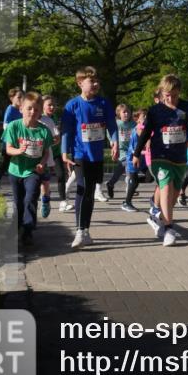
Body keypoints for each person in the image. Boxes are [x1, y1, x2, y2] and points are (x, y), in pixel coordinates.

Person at [132, 74, 188, 246]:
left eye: (174, 95)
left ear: (179, 92)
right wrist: (136, 153)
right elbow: (146, 133)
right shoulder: (155, 111)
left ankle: (157, 216)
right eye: (167, 95)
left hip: (179, 157)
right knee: (166, 186)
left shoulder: (186, 107)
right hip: (160, 156)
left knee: (173, 195)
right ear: (162, 93)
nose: (171, 99)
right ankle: (169, 228)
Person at [61, 67, 118, 248]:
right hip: (80, 154)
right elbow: (66, 131)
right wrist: (64, 152)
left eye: (97, 81)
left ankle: (85, 230)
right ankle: (79, 231)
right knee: (83, 189)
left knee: (90, 193)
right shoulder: (72, 105)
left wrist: (115, 142)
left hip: (97, 155)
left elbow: (112, 125)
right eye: (91, 81)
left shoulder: (103, 103)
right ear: (80, 83)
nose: (95, 84)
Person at [1, 91, 52, 246]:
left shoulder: (44, 130)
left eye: (36, 109)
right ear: (21, 108)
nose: (32, 112)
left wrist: (42, 163)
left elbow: (46, 152)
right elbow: (8, 149)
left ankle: (28, 231)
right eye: (29, 108)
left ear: (40, 111)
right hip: (15, 170)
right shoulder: (13, 126)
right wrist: (19, 150)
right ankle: (16, 227)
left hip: (33, 171)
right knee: (18, 202)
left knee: (30, 199)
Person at [0, 87, 24, 194]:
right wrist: (15, 134)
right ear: (11, 98)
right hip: (9, 143)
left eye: (22, 97)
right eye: (19, 97)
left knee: (19, 163)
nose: (21, 99)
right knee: (6, 164)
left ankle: (21, 186)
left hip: (19, 143)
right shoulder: (10, 109)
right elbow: (5, 126)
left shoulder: (21, 110)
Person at [38, 95, 62, 219]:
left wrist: (47, 143)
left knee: (44, 182)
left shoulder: (48, 121)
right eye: (49, 105)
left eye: (53, 105)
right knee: (32, 185)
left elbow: (57, 138)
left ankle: (45, 200)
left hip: (46, 157)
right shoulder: (25, 120)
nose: (52, 107)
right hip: (29, 157)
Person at [105, 104, 135, 200]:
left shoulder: (133, 124)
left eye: (128, 112)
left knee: (120, 170)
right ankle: (129, 188)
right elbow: (109, 131)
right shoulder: (116, 123)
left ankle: (110, 184)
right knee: (127, 166)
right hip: (121, 149)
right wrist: (112, 141)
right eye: (124, 112)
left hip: (130, 149)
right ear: (119, 114)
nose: (126, 114)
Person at [122, 109, 147, 212]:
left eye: (146, 116)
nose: (146, 118)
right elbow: (135, 148)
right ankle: (127, 203)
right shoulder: (137, 130)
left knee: (150, 178)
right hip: (133, 159)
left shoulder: (146, 129)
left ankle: (132, 180)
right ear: (137, 119)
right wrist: (146, 151)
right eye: (143, 116)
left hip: (143, 160)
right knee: (134, 182)